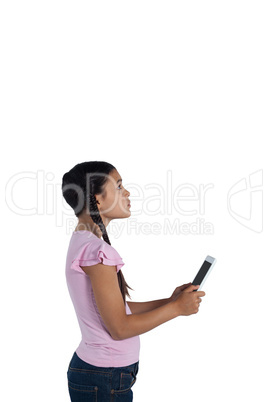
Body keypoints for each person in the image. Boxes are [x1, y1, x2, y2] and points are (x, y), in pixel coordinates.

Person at [62, 161, 205, 401]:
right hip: (104, 377)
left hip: (103, 375)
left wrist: (170, 300)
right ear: (96, 198)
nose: (126, 192)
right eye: (118, 186)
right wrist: (176, 309)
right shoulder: (95, 250)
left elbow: (119, 310)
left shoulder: (85, 242)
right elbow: (119, 328)